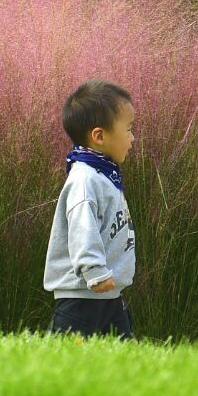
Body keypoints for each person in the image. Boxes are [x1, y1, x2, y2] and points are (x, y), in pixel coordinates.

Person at [42, 80, 137, 338]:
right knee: (64, 354)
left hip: (109, 294)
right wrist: (95, 272)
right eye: (128, 129)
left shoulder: (105, 174)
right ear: (99, 136)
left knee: (123, 357)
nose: (133, 138)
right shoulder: (85, 180)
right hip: (83, 295)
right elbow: (83, 229)